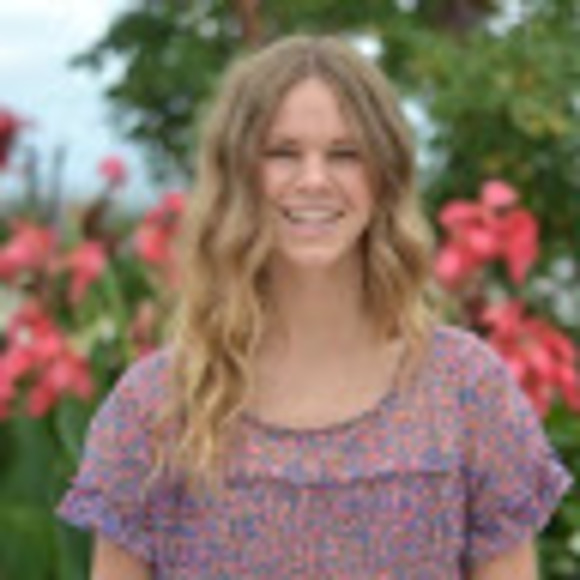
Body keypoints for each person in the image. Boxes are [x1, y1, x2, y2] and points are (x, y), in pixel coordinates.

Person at [57, 35, 571, 579]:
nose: (313, 180)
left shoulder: (468, 392)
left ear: (385, 176)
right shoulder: (154, 408)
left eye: (345, 154)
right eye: (282, 153)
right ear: (238, 176)